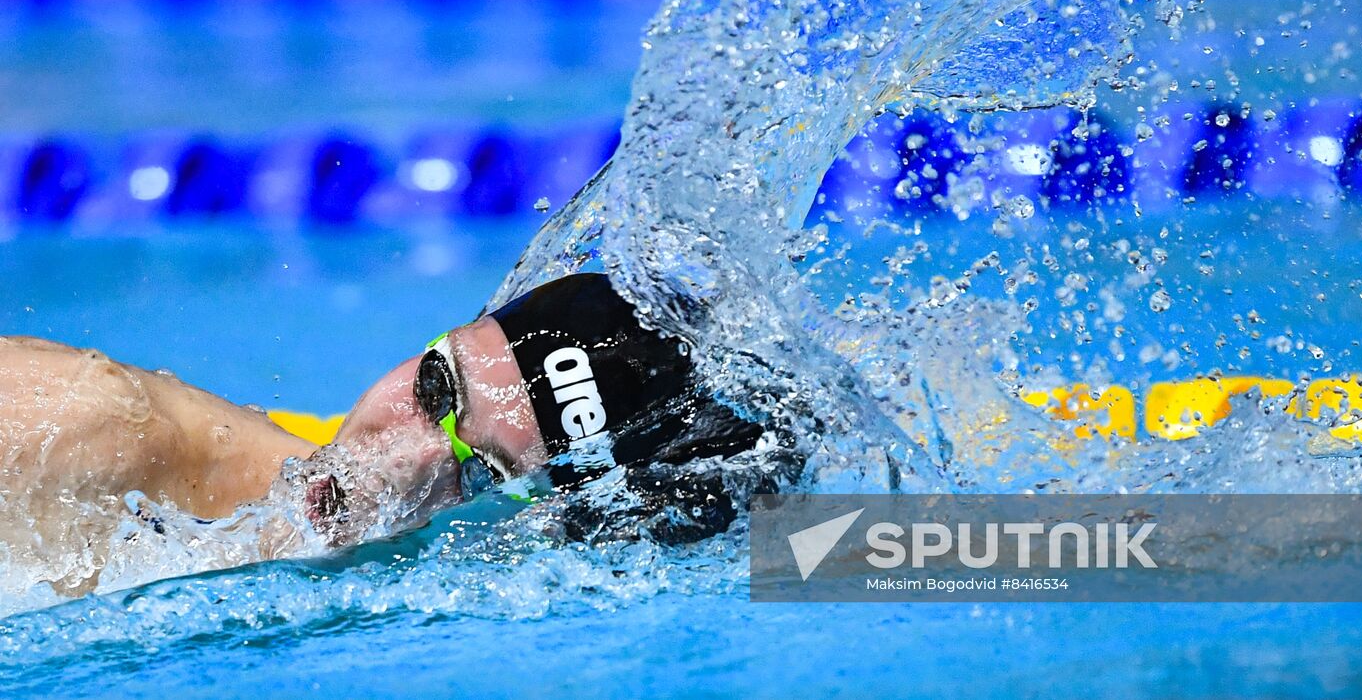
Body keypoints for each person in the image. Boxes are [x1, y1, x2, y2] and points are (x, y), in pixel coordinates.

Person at [0, 272, 794, 594]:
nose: (402, 462)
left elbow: (896, 552)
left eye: (483, 474)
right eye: (434, 388)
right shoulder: (92, 432)